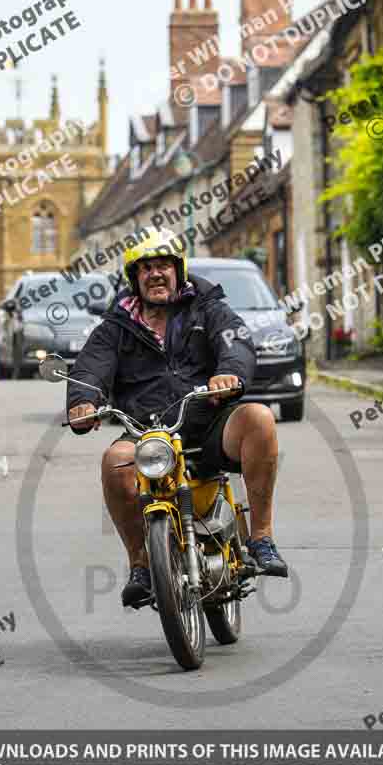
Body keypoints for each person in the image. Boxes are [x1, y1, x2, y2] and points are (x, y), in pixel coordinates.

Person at [67, 228, 288, 607]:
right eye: (146, 268)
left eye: (164, 266)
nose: (156, 274)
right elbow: (90, 368)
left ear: (178, 270)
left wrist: (229, 372)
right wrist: (83, 401)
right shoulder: (115, 327)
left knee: (260, 419)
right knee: (114, 462)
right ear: (134, 278)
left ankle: (262, 538)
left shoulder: (208, 308)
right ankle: (141, 563)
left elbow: (236, 341)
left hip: (208, 422)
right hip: (146, 432)